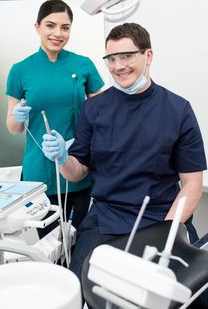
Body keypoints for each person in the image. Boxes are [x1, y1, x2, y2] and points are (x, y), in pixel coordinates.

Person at [41, 22, 207, 280]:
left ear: (148, 55)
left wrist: (167, 231)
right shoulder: (94, 109)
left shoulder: (177, 110)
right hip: (107, 218)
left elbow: (192, 184)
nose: (118, 66)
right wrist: (62, 158)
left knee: (189, 291)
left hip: (161, 216)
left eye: (127, 56)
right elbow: (76, 172)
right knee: (82, 285)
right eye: (112, 58)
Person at [6, 0, 104, 238]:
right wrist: (18, 116)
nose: (58, 33)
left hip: (78, 165)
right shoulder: (20, 70)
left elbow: (103, 115)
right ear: (37, 26)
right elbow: (13, 128)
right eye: (50, 25)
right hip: (39, 172)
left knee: (80, 242)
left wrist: (77, 143)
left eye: (65, 27)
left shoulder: (83, 65)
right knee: (51, 246)